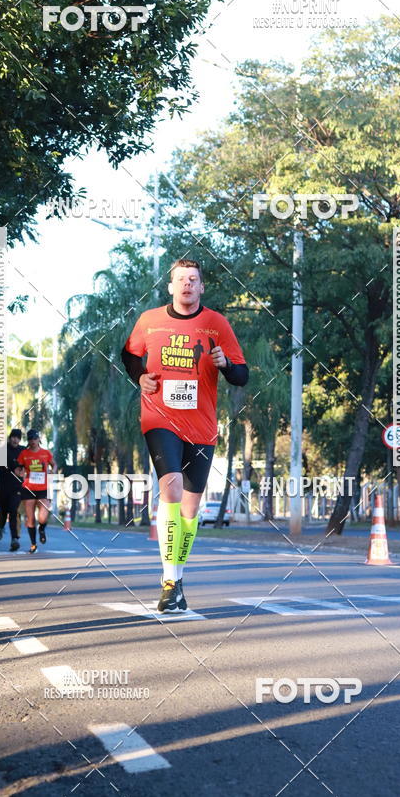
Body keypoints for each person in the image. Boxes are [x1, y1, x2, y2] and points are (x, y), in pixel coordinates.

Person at [121, 258, 248, 612]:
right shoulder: (149, 320)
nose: (187, 284)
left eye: (193, 279)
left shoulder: (216, 324)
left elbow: (242, 375)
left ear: (201, 287)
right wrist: (140, 376)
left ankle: (176, 579)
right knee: (171, 488)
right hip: (159, 418)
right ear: (170, 287)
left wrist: (226, 365)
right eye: (181, 279)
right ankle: (168, 580)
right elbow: (129, 355)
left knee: (190, 508)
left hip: (202, 427)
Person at [17, 430, 55, 554]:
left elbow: (54, 465)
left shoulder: (46, 453)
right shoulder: (24, 454)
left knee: (43, 517)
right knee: (31, 519)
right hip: (28, 488)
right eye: (30, 439)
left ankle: (42, 529)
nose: (32, 441)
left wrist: (52, 471)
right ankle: (33, 544)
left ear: (39, 439)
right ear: (28, 441)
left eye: (34, 438)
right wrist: (19, 473)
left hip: (43, 489)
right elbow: (18, 469)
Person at [0, 428, 25, 551]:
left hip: (17, 487)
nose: (15, 440)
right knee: (3, 511)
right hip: (3, 486)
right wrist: (5, 466)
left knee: (13, 511)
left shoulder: (23, 450)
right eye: (13, 437)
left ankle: (14, 539)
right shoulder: (2, 450)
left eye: (18, 438)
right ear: (10, 438)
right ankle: (0, 526)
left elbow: (29, 464)